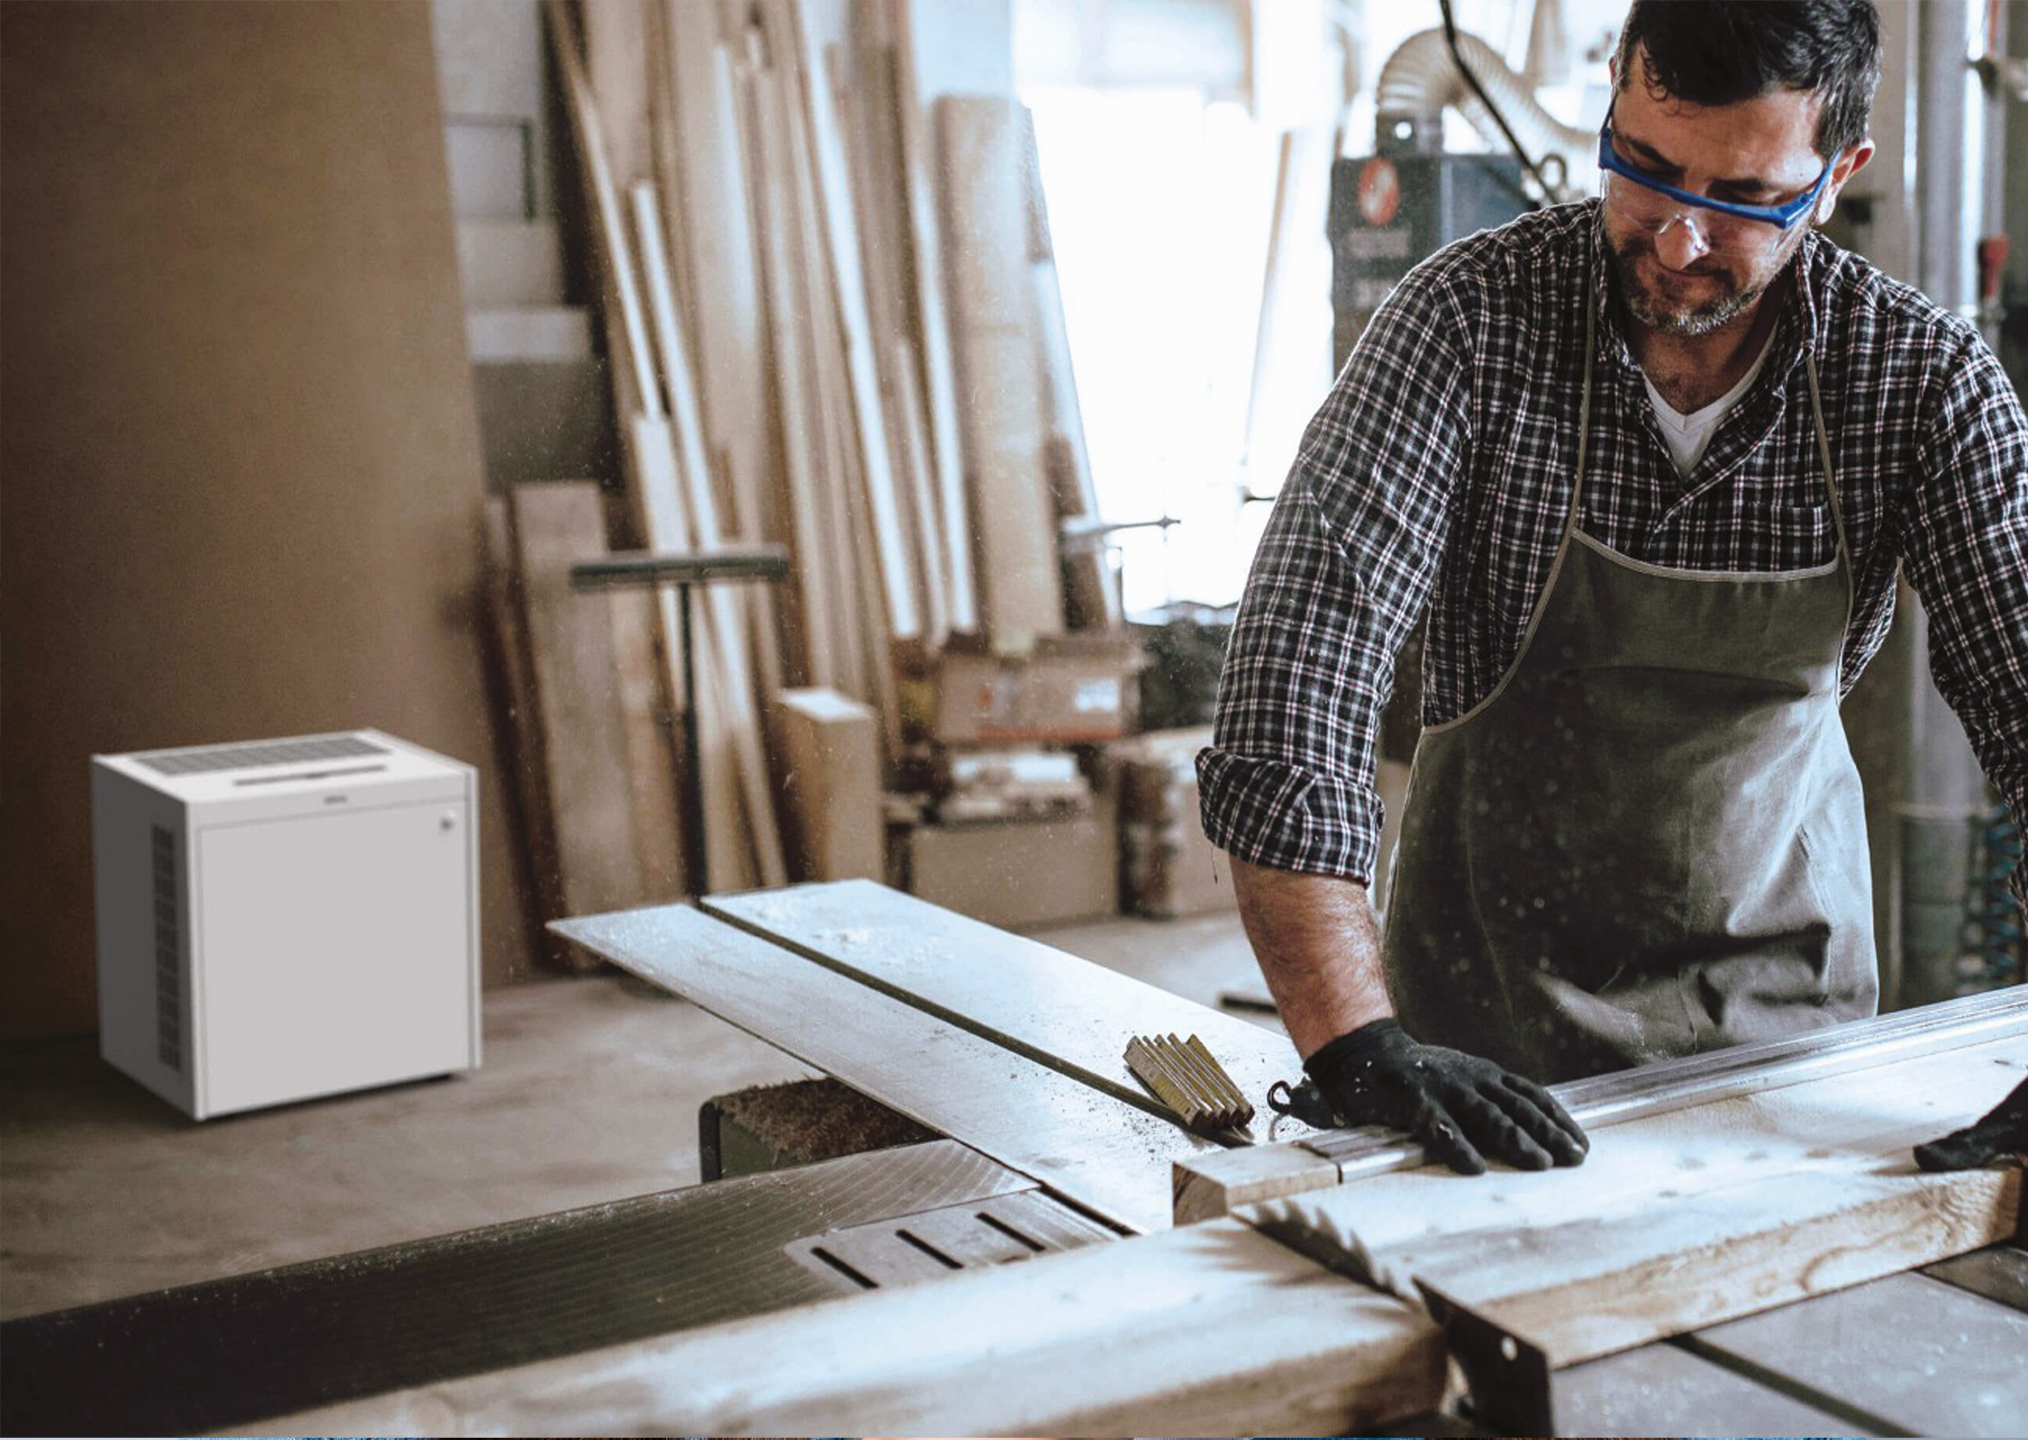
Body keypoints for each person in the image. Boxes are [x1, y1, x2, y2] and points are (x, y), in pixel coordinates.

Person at [1201, 0, 2028, 1175]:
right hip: (1473, 1049)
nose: (1679, 241)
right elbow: (1297, 676)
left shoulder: (1922, 381)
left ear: (1837, 173)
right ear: (1611, 103)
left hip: (1784, 1057)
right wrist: (1353, 1045)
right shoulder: (1467, 325)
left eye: (1741, 199)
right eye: (1644, 170)